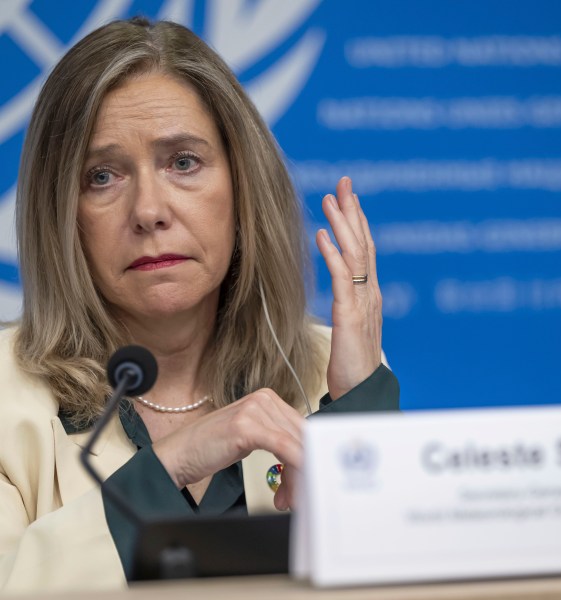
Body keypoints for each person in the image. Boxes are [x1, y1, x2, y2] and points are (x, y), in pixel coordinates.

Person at [0, 17, 399, 593]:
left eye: (182, 162)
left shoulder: (327, 366)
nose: (149, 210)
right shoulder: (7, 390)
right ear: (60, 213)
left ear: (242, 188)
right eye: (102, 176)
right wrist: (172, 463)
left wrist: (360, 410)